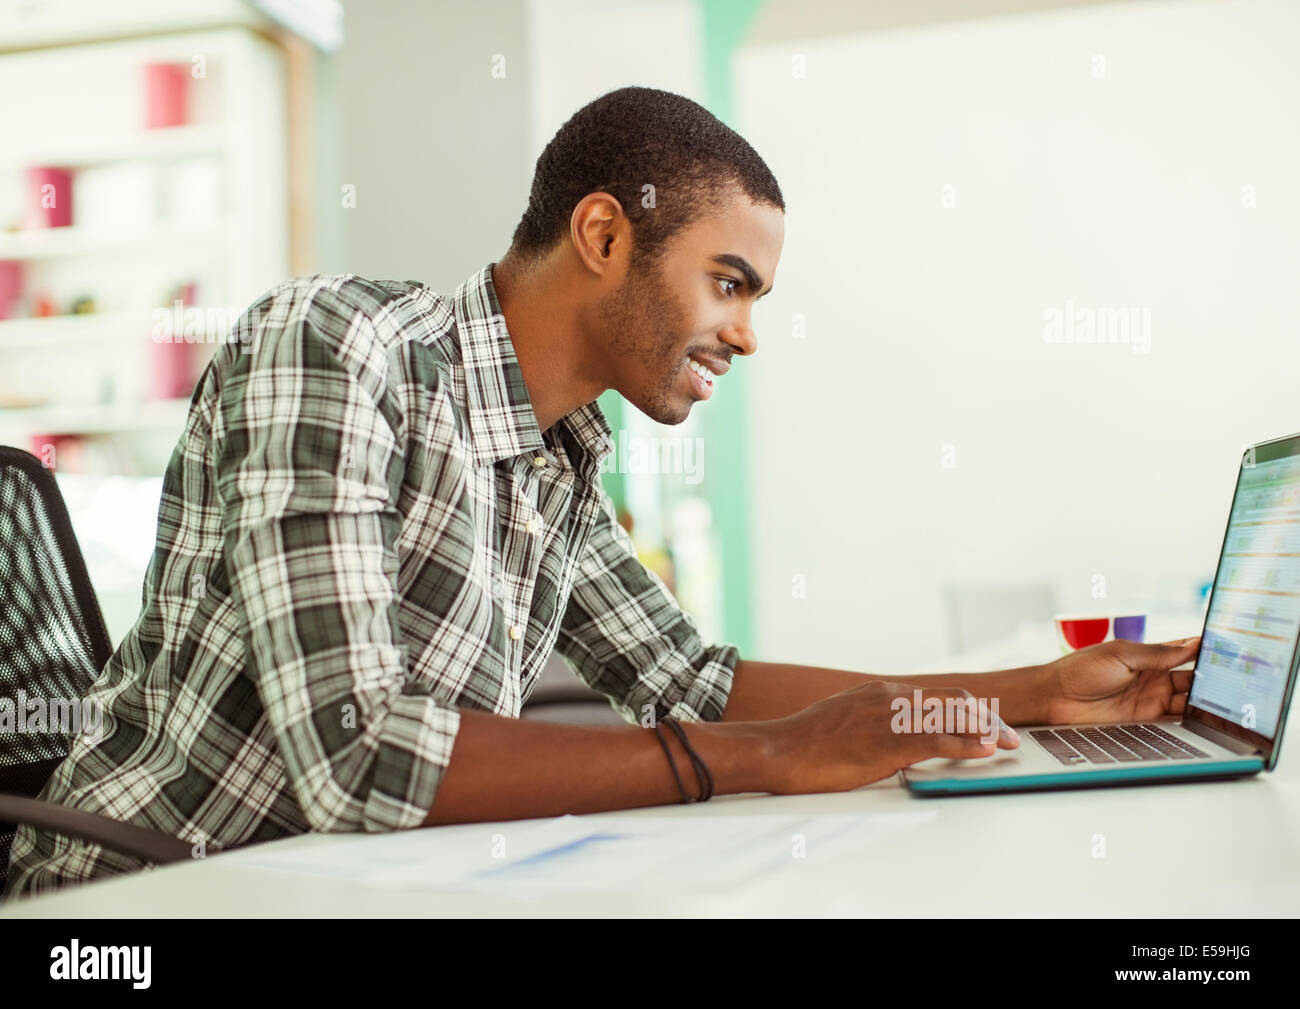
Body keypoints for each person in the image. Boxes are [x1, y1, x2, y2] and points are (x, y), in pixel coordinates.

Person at [4, 86, 1199, 896]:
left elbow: (689, 678)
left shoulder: (561, 453)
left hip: (344, 890)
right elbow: (360, 757)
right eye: (727, 283)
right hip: (150, 891)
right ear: (604, 235)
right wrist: (768, 756)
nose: (743, 334)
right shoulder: (336, 348)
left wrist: (1031, 692)